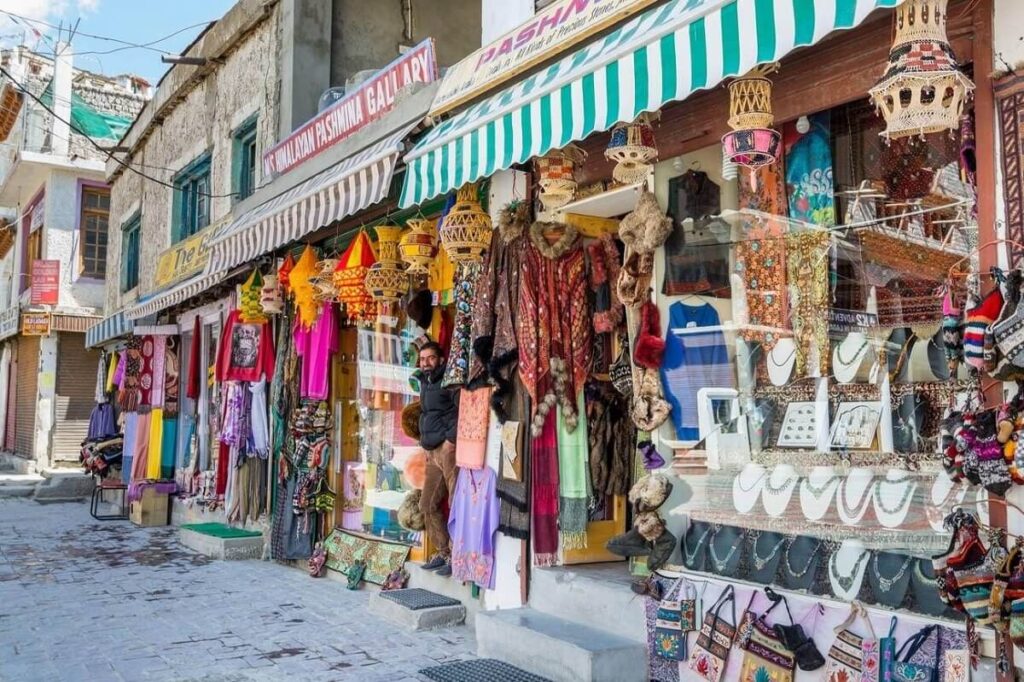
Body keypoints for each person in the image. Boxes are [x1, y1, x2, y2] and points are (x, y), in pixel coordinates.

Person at [416, 341, 459, 577]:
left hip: (447, 448)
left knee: (455, 502)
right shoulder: (424, 382)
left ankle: (457, 555)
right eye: (423, 360)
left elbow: (461, 410)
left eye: (430, 358)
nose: (426, 363)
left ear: (441, 360)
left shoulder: (449, 380)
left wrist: (451, 441)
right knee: (427, 504)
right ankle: (444, 552)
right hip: (431, 451)